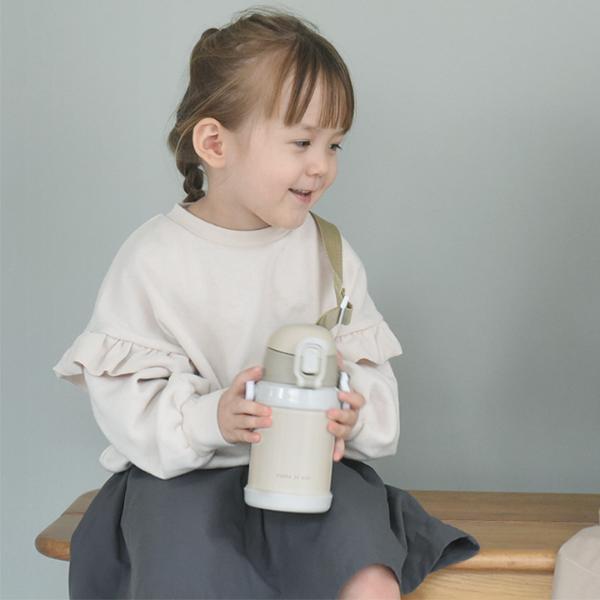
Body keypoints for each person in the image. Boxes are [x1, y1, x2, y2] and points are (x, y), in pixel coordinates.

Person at [53, 6, 480, 599]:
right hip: (186, 485)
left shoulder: (329, 254)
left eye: (334, 144)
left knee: (367, 571)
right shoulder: (154, 260)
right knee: (187, 572)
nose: (322, 166)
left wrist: (353, 412)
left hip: (308, 476)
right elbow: (128, 402)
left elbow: (370, 381)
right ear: (215, 143)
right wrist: (212, 417)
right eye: (302, 141)